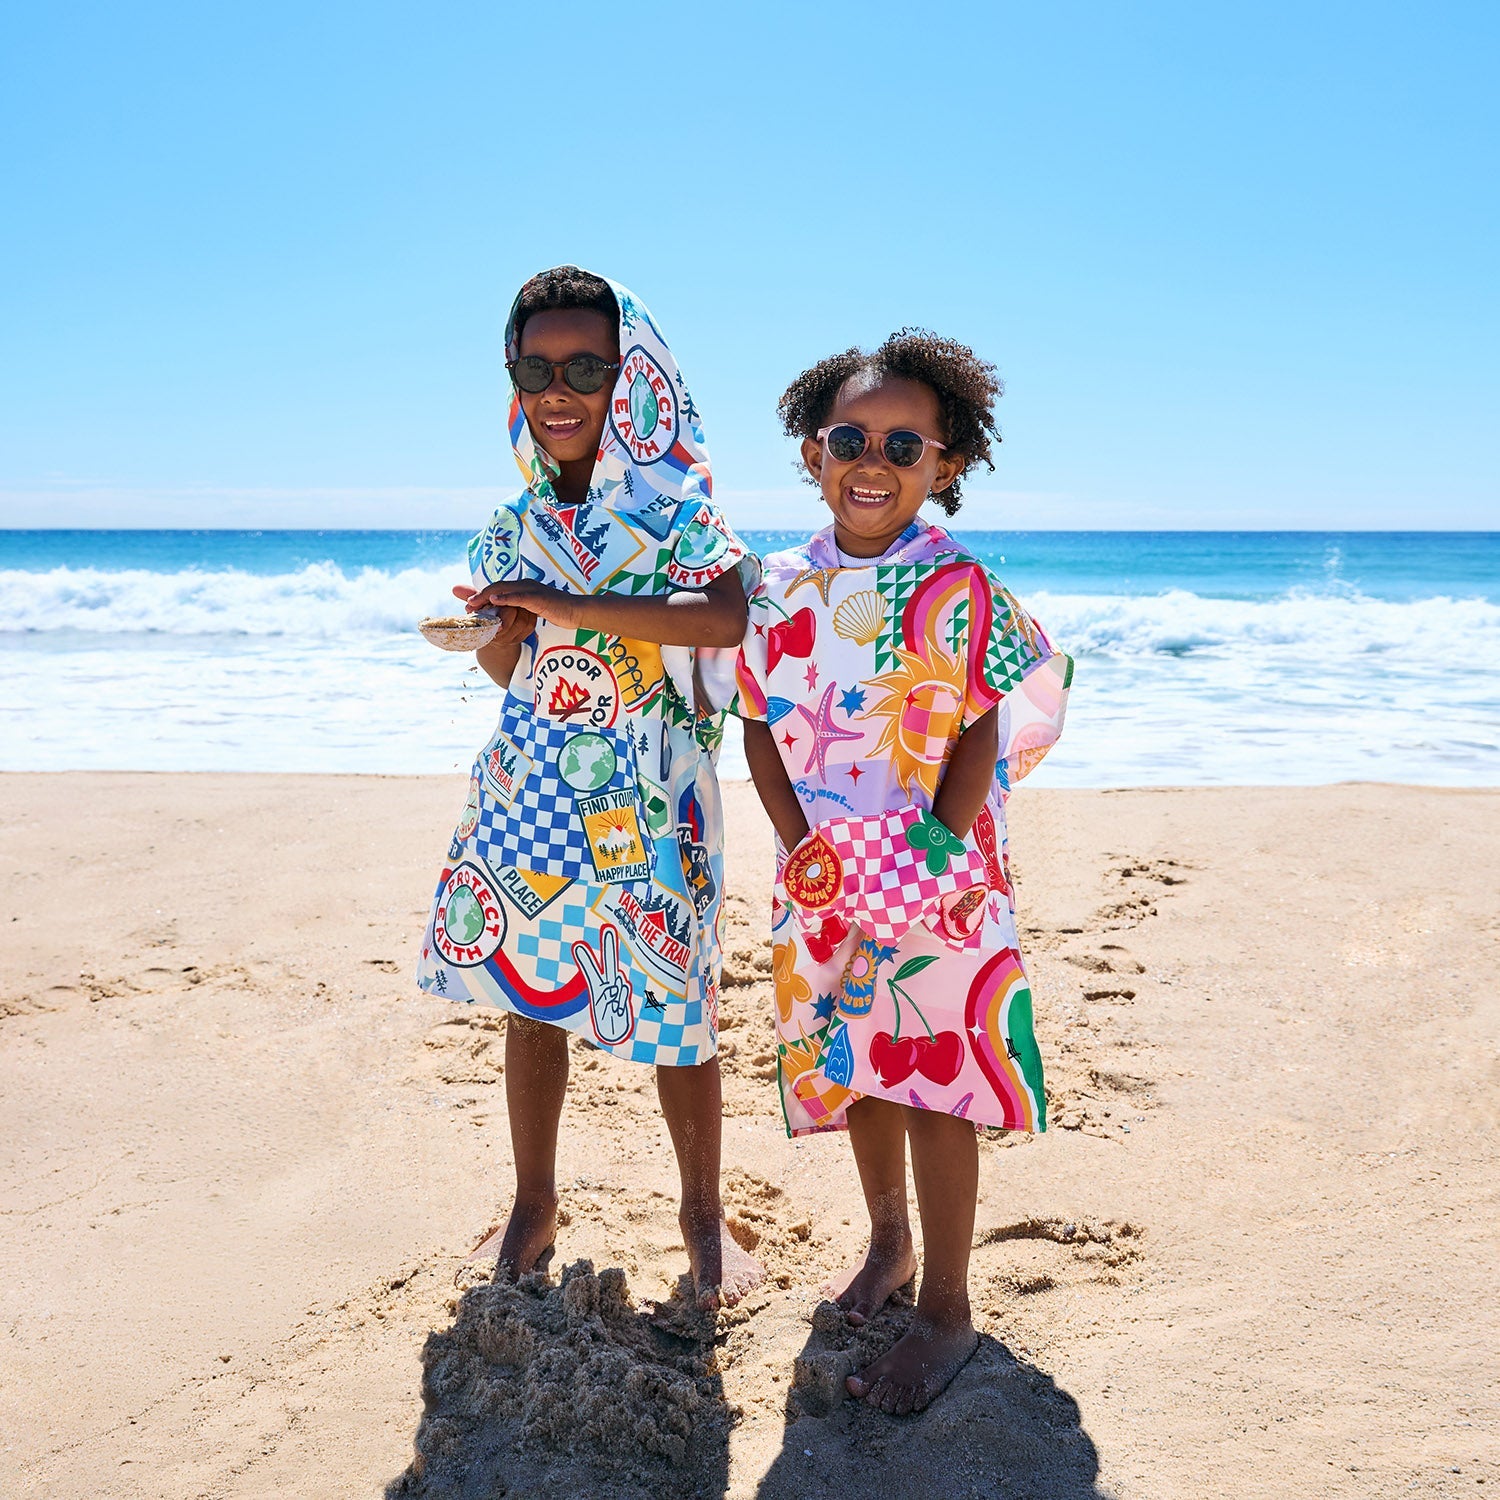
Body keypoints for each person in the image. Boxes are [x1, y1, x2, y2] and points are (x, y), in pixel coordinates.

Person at [730, 330, 1072, 1409]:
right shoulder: (778, 586)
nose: (871, 461)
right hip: (823, 872)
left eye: (903, 445)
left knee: (933, 1075)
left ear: (946, 463)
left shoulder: (957, 583)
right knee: (855, 1062)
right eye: (849, 439)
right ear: (812, 453)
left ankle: (949, 1310)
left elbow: (982, 719)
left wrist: (937, 842)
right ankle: (890, 1243)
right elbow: (756, 722)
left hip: (938, 872)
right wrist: (797, 843)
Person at [417, 265, 762, 1311]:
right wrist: (500, 629)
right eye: (535, 370)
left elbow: (724, 618)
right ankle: (534, 1202)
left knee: (679, 1009)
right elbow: (512, 673)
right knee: (529, 1000)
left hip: (652, 800)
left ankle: (702, 1215)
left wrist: (566, 602)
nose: (557, 391)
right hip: (532, 794)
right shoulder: (513, 522)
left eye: (585, 368)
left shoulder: (675, 512)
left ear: (635, 378)